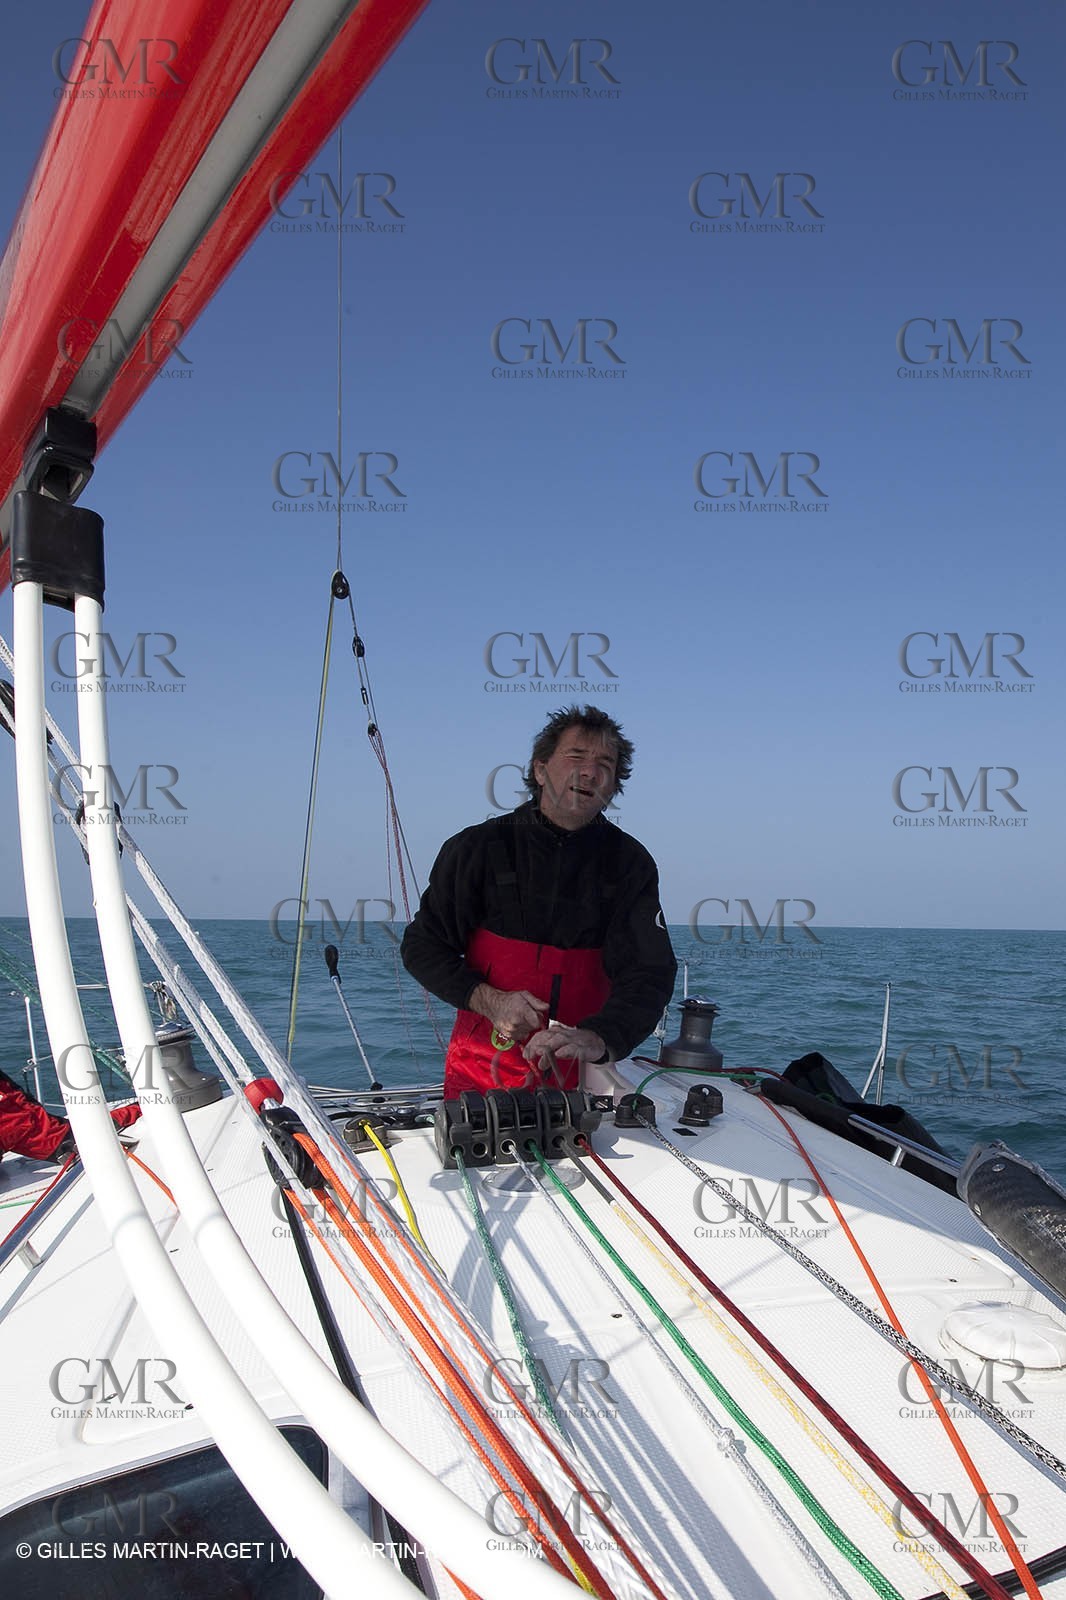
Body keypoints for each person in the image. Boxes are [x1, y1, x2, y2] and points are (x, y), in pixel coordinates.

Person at [401, 705, 677, 1097]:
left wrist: (600, 1037)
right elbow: (422, 946)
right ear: (540, 769)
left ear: (614, 785)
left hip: (585, 1080)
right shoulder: (476, 848)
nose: (589, 771)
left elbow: (649, 972)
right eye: (576, 756)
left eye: (605, 763)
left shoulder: (630, 864)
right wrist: (489, 1001)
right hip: (480, 1071)